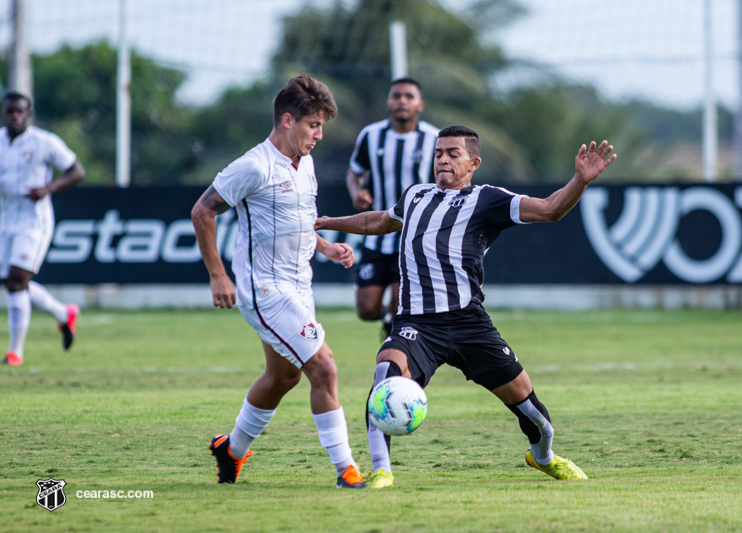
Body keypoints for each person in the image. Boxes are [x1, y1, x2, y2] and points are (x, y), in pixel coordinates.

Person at [315, 125, 617, 488]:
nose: (442, 159)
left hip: (469, 324)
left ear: (473, 162)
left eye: (452, 153)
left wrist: (580, 181)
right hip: (417, 324)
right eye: (438, 153)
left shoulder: (488, 199)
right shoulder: (415, 195)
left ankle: (544, 457)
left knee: (531, 411)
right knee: (385, 375)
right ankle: (381, 470)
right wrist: (329, 222)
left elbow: (551, 210)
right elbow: (379, 221)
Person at [191, 75, 366, 489]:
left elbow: (296, 221)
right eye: (313, 125)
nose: (319, 135)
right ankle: (346, 469)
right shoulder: (253, 165)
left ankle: (230, 450)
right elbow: (202, 212)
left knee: (283, 377)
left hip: (299, 286)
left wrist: (325, 247)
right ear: (287, 120)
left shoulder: (305, 164)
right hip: (265, 290)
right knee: (324, 367)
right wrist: (218, 275)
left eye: (322, 125)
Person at [346, 78, 439, 336]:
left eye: (409, 96)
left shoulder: (434, 139)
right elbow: (354, 173)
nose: (402, 101)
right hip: (377, 235)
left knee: (402, 306)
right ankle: (387, 317)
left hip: (413, 237)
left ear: (420, 104)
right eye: (396, 95)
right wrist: (357, 193)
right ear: (388, 102)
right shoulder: (371, 135)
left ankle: (394, 360)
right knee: (366, 309)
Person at [1, 91, 85, 366]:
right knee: (11, 281)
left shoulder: (44, 142)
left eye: (19, 112)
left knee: (16, 279)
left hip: (34, 220)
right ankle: (64, 314)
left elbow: (76, 171)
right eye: (10, 111)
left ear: (28, 114)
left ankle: (15, 352)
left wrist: (48, 189)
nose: (14, 116)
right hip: (5, 218)